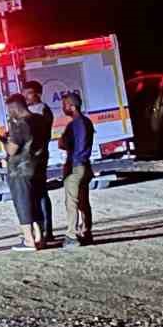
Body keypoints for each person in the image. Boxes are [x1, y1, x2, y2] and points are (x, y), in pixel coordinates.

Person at [1, 94, 46, 250]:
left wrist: (4, 141)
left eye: (9, 110)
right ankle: (39, 237)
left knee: (23, 202)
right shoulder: (40, 119)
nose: (9, 113)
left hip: (20, 170)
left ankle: (28, 240)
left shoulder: (21, 124)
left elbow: (12, 149)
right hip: (38, 166)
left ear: (15, 108)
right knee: (35, 201)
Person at [58, 91, 95, 244]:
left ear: (72, 107)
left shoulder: (75, 124)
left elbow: (66, 144)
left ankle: (72, 234)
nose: (63, 108)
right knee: (84, 201)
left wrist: (63, 142)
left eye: (65, 105)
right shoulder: (86, 122)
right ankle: (86, 232)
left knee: (71, 202)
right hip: (86, 166)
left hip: (76, 166)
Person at [22, 80, 57, 244]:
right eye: (24, 93)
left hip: (39, 156)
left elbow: (43, 135)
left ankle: (47, 229)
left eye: (28, 93)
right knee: (36, 194)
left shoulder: (43, 110)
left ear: (37, 93)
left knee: (41, 193)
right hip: (31, 156)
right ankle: (40, 229)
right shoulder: (29, 109)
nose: (25, 96)